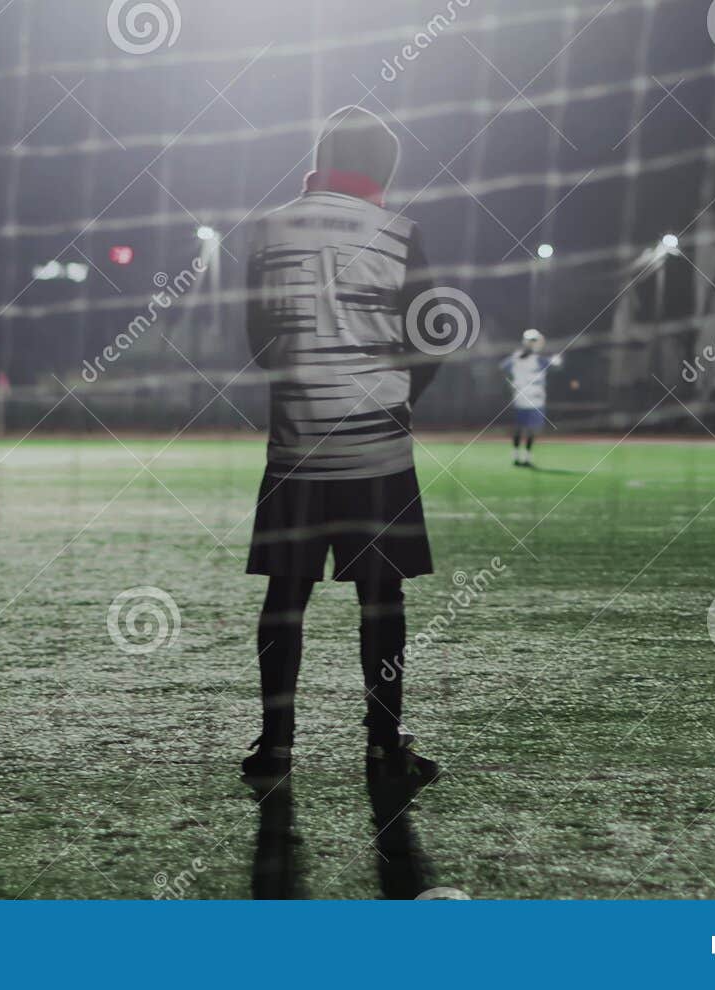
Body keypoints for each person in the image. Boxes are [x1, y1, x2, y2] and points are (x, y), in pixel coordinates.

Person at [241, 105, 444, 788]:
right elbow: (431, 337)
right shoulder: (401, 232)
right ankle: (384, 746)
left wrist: (307, 386)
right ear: (383, 166)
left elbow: (259, 341)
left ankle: (274, 748)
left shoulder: (269, 229)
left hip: (297, 446)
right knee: (381, 599)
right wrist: (394, 397)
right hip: (377, 446)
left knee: (285, 595)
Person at [501, 329, 560, 466]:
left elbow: (503, 368)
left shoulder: (518, 358)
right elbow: (556, 366)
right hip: (531, 400)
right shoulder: (535, 359)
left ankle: (522, 456)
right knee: (526, 429)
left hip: (527, 399)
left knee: (525, 429)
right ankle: (520, 456)